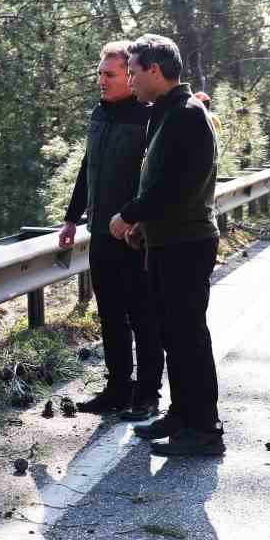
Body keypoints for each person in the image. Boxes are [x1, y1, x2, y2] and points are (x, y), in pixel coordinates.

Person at [109, 34, 225, 457]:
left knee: (188, 335)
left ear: (154, 70)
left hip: (186, 244)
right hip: (167, 241)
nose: (130, 80)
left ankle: (205, 428)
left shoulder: (188, 114)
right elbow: (166, 180)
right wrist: (145, 227)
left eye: (134, 71)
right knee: (173, 334)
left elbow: (176, 185)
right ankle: (182, 414)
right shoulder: (168, 111)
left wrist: (130, 214)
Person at [59, 40, 162, 419]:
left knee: (143, 315)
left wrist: (138, 222)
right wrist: (72, 217)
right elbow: (89, 168)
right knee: (110, 314)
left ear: (129, 75)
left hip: (136, 236)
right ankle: (118, 388)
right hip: (100, 233)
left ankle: (148, 395)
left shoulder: (149, 115)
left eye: (110, 74)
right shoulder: (99, 114)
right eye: (99, 73)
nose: (101, 80)